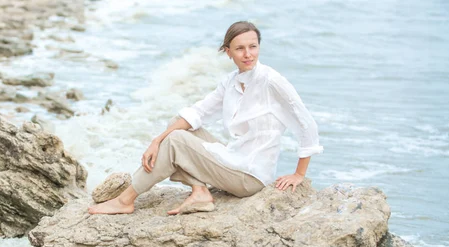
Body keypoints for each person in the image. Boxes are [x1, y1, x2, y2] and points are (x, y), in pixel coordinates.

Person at [89, 21, 323, 215]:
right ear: (228, 51)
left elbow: (305, 122)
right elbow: (197, 113)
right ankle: (200, 192)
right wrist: (156, 140)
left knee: (176, 140)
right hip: (235, 159)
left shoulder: (271, 81)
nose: (248, 54)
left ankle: (125, 200)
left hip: (250, 176)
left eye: (253, 46)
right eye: (240, 48)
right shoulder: (231, 82)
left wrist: (299, 174)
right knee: (177, 125)